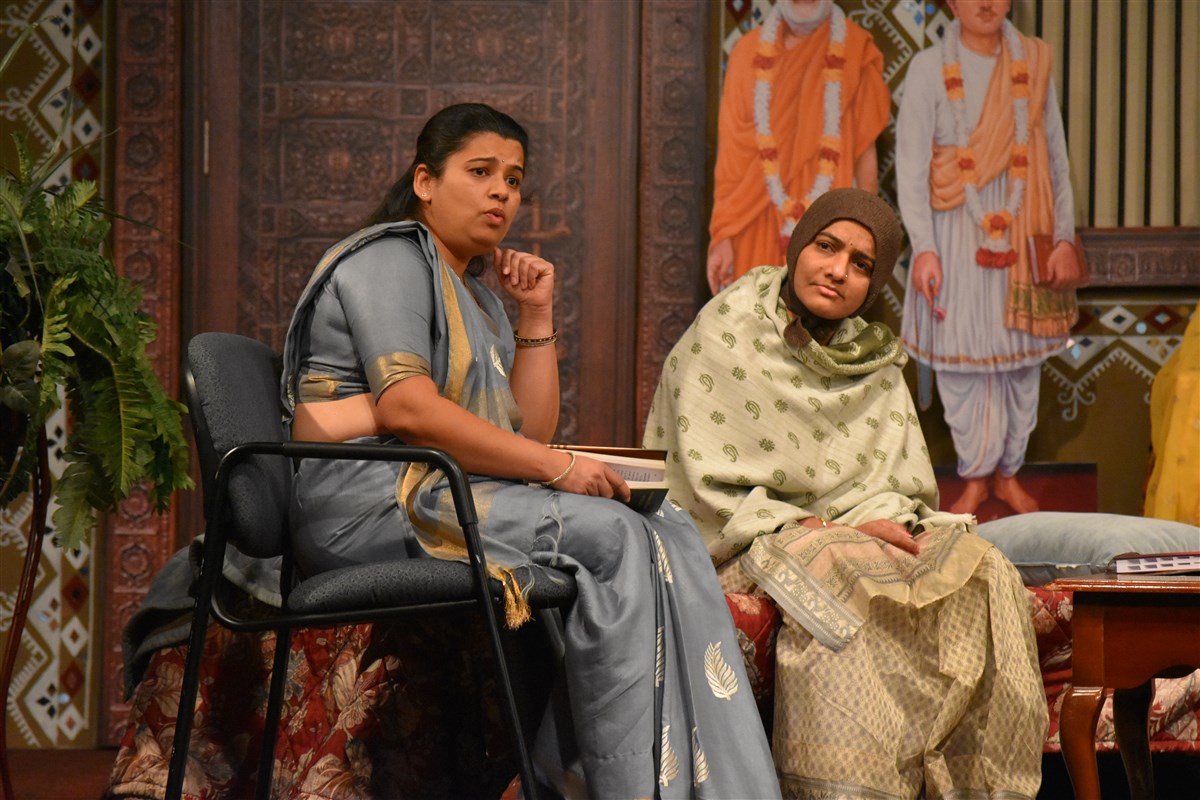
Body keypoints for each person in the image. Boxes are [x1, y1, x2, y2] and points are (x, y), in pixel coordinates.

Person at [280, 102, 780, 799]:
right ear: (425, 181)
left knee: (663, 525)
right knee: (614, 536)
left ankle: (678, 780)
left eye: (513, 180)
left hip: (439, 487)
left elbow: (528, 434)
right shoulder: (390, 259)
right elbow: (407, 408)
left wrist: (536, 314)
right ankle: (618, 785)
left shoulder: (478, 297)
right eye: (480, 172)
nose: (501, 193)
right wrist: (558, 469)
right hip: (369, 498)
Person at [646, 188, 1047, 798]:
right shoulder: (728, 329)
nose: (838, 270)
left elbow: (894, 485)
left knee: (983, 569)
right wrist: (828, 529)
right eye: (827, 247)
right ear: (798, 248)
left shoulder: (873, 359)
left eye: (861, 264)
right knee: (839, 569)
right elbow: (703, 482)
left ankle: (972, 785)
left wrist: (879, 523)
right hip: (742, 538)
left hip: (851, 532)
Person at [896, 0, 1081, 515]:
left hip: (1025, 231)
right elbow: (911, 169)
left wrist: (1063, 239)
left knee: (1021, 366)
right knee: (963, 369)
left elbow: (1057, 159)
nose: (985, 3)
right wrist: (924, 248)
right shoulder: (928, 70)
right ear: (952, 3)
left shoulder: (1033, 64)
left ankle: (1008, 475)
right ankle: (975, 477)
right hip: (955, 235)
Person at [706, 0, 891, 294]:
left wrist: (862, 236)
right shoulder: (746, 54)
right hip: (753, 231)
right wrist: (723, 236)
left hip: (830, 233)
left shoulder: (856, 51)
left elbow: (864, 159)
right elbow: (731, 159)